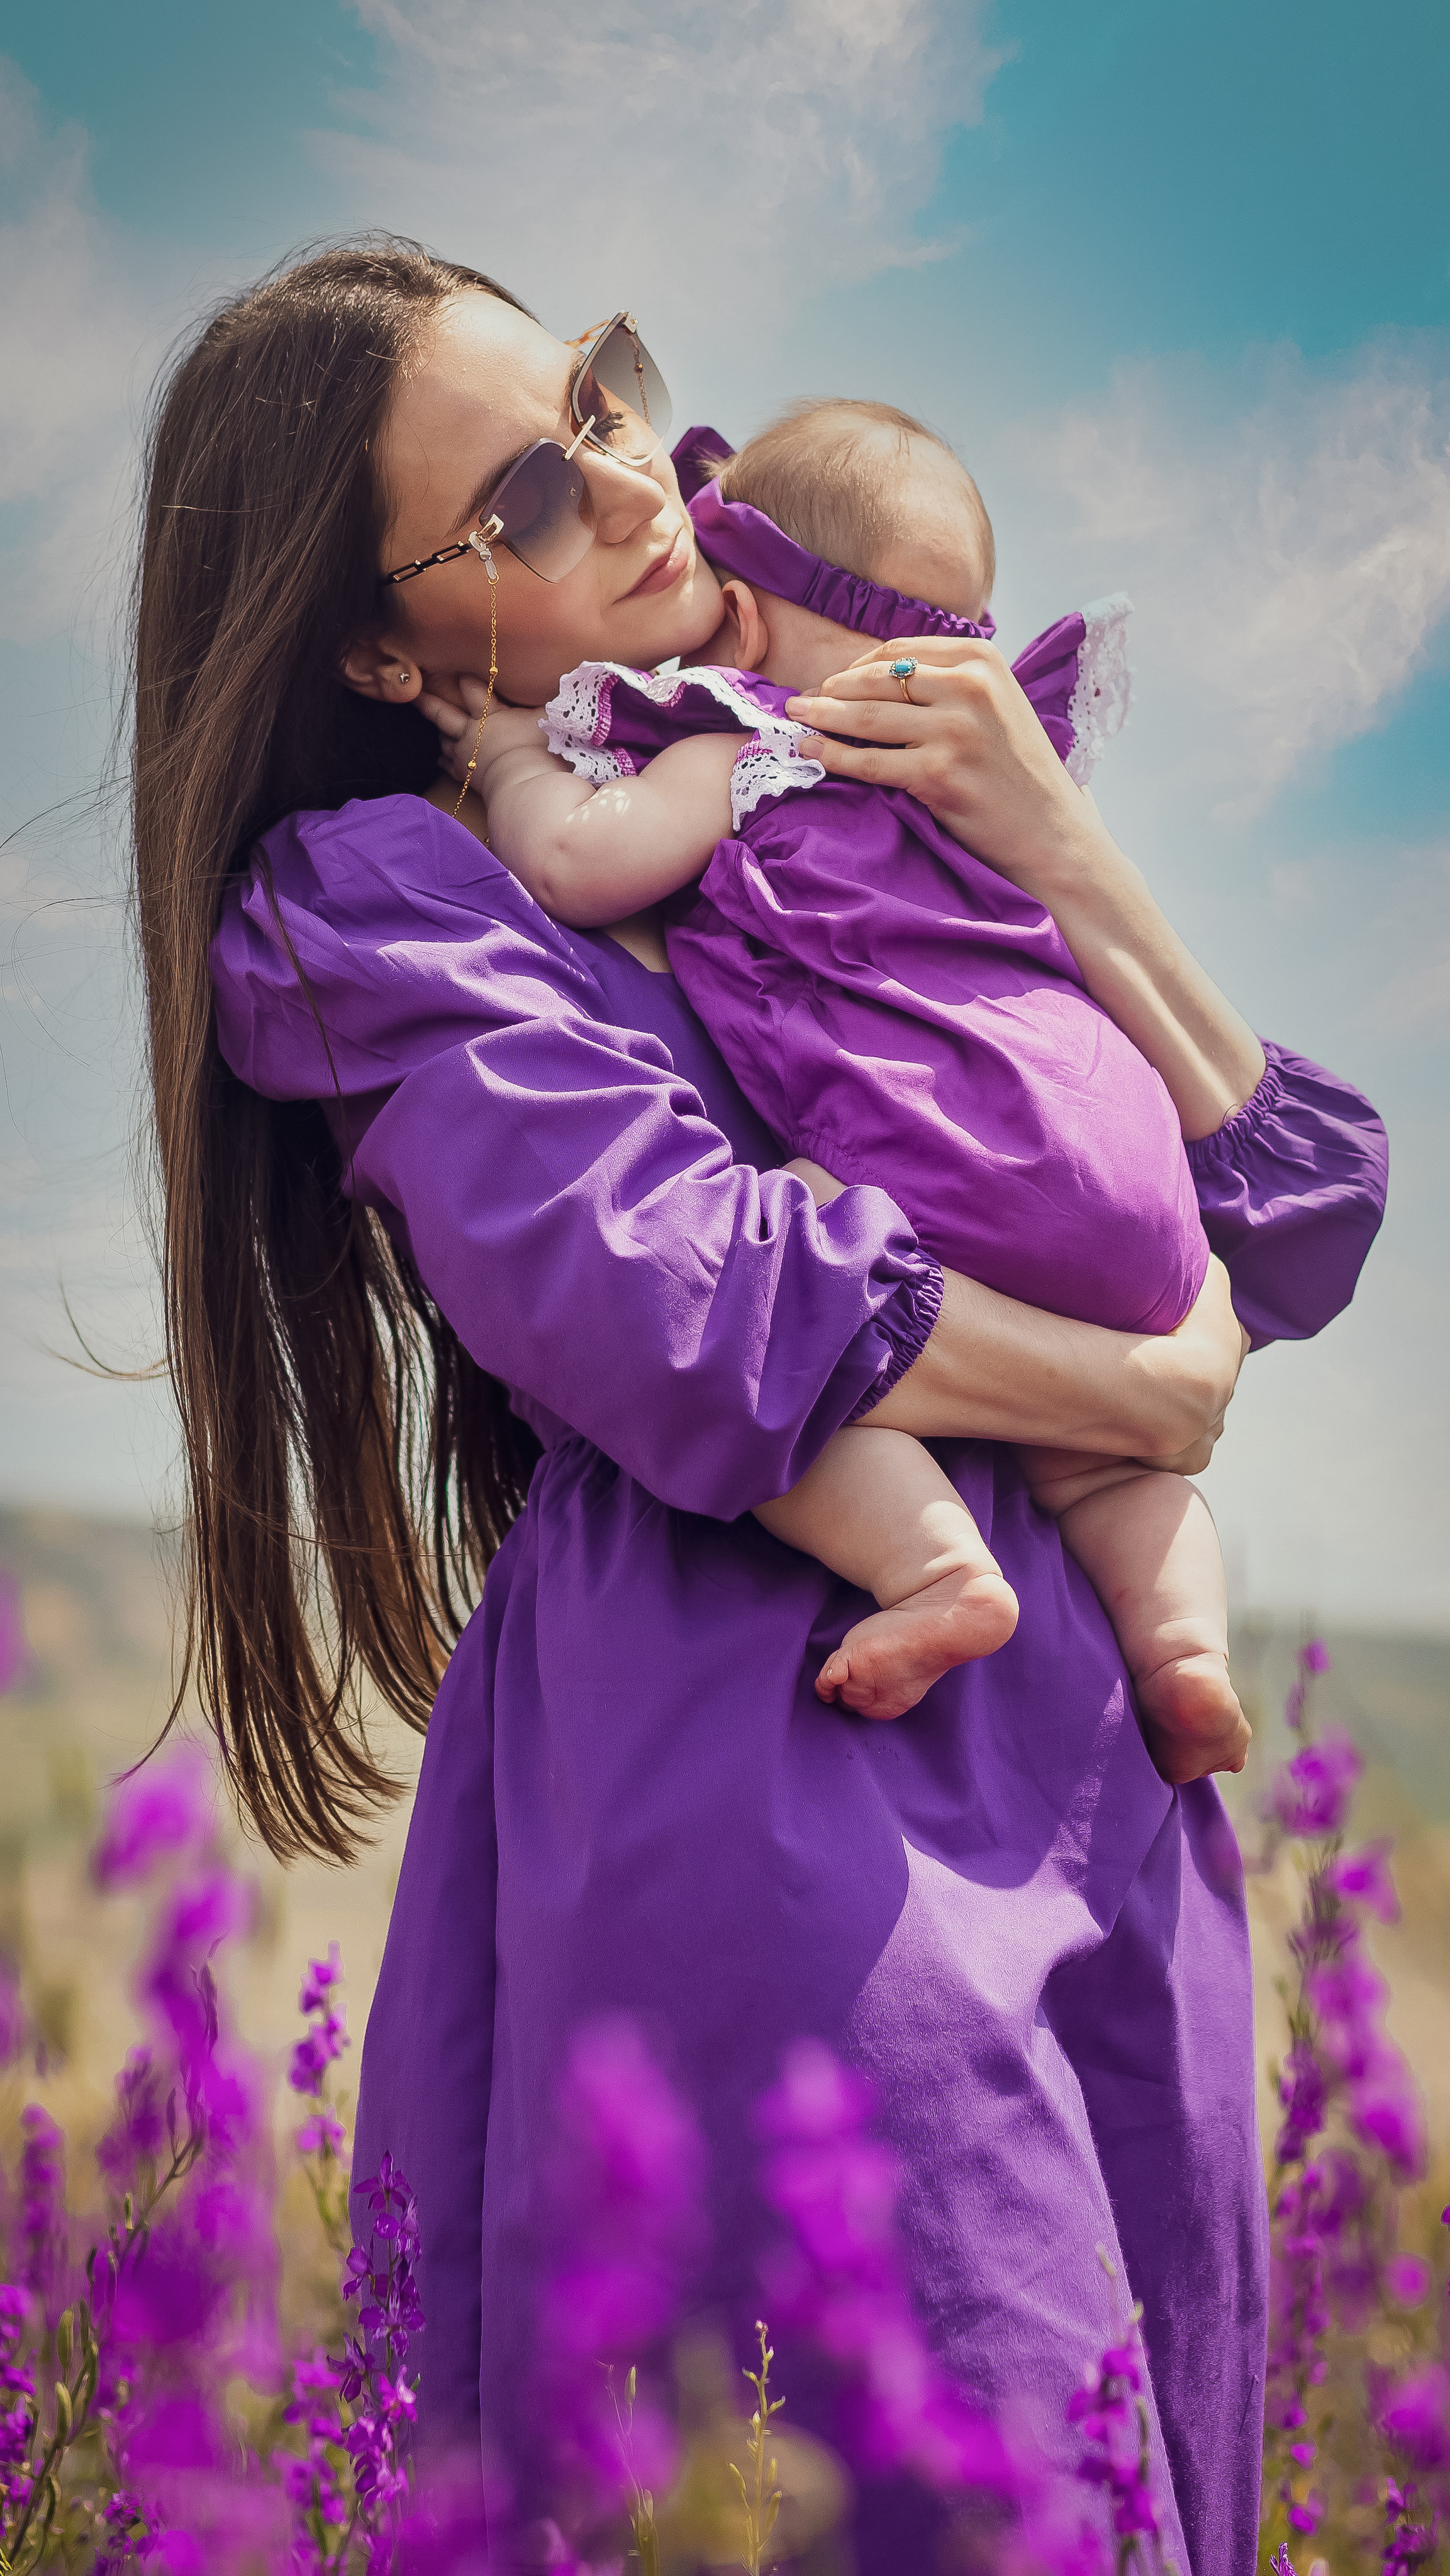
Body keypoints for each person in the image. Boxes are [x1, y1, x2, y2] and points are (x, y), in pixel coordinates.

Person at [129, 241, 1386, 2576]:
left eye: (605, 397)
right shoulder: (378, 903)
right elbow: (692, 1291)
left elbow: (1292, 1217)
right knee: (934, 2495)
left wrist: (1058, 843)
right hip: (777, 1763)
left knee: (1163, 2472)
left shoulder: (830, 752)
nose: (620, 482)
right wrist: (1141, 1380)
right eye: (523, 489)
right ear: (386, 653)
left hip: (1111, 1759)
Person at [425, 392, 1243, 1757]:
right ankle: (1182, 1645)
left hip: (960, 1162)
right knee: (1109, 1464)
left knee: (792, 1284)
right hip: (1141, 1193)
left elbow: (576, 861)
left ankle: (930, 1566)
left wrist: (506, 752)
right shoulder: (987, 782)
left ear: (741, 620)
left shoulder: (755, 745)